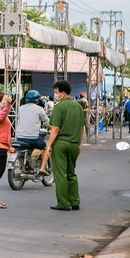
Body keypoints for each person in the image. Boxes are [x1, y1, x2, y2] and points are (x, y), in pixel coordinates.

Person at [46, 80, 85, 211]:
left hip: (61, 144)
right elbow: (81, 128)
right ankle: (75, 201)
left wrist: (49, 145)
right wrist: (79, 144)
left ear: (63, 93)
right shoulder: (78, 107)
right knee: (71, 173)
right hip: (74, 144)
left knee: (60, 174)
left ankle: (63, 203)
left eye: (57, 92)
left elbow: (55, 129)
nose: (56, 95)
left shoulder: (59, 107)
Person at [17, 90, 50, 175]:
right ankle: (42, 168)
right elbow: (47, 122)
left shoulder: (21, 108)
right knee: (46, 147)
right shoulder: (39, 109)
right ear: (37, 100)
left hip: (20, 138)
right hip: (33, 139)